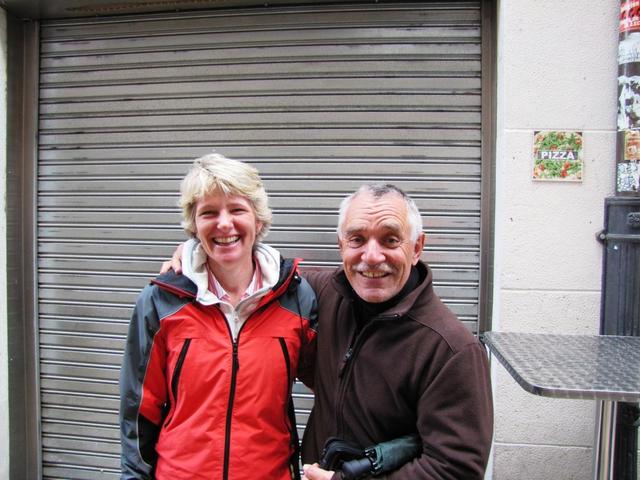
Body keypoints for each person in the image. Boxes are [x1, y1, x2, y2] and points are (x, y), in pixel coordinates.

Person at [162, 183, 494, 479]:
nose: (372, 256)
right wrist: (199, 256)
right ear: (341, 244)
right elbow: (257, 274)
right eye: (357, 239)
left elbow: (456, 468)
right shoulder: (320, 294)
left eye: (390, 240)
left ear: (417, 247)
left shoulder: (451, 350)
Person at [119, 153, 317, 480]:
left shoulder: (296, 298)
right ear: (194, 225)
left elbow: (333, 384)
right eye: (208, 212)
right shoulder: (161, 301)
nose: (224, 224)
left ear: (258, 219)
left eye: (237, 210)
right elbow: (139, 408)